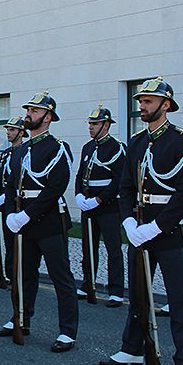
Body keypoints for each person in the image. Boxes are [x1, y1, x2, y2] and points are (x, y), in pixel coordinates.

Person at [99, 76, 183, 365]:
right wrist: (129, 222)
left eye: (148, 101)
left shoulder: (181, 141)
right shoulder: (137, 142)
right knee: (139, 294)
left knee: (179, 295)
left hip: (169, 230)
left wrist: (157, 226)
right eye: (140, 101)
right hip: (140, 227)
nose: (141, 106)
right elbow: (126, 186)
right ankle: (132, 348)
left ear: (166, 104)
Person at [0, 91, 78, 352]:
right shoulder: (21, 150)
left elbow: (55, 188)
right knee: (23, 274)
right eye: (28, 110)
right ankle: (20, 317)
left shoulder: (57, 148)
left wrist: (26, 215)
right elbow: (11, 186)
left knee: (60, 277)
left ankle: (67, 330)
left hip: (49, 221)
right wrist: (11, 213)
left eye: (34, 111)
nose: (28, 114)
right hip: (23, 221)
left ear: (48, 117)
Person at [75, 105, 126, 307]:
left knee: (113, 248)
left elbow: (118, 180)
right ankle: (88, 283)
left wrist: (99, 200)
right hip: (88, 203)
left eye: (94, 124)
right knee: (88, 247)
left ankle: (116, 291)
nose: (91, 127)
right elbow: (80, 174)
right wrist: (79, 195)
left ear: (106, 124)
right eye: (90, 123)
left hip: (108, 205)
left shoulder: (116, 148)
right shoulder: (88, 147)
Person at [0, 117, 26, 289]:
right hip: (2, 202)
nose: (8, 133)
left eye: (12, 130)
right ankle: (6, 274)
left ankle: (17, 275)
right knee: (3, 241)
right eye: (8, 130)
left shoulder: (25, 151)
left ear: (21, 132)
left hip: (15, 202)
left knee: (15, 242)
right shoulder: (5, 153)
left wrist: (6, 196)